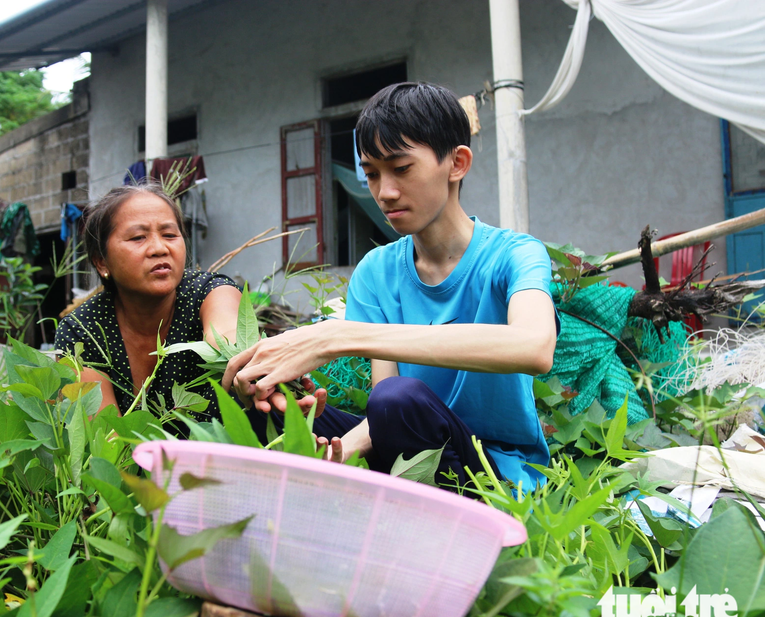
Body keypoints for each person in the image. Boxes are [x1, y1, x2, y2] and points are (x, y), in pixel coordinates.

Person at [224, 82, 558, 491]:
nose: (385, 192)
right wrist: (338, 450)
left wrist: (338, 337)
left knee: (400, 400)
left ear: (457, 163)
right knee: (273, 403)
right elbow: (385, 410)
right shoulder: (376, 271)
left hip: (494, 469)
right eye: (371, 174)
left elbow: (534, 346)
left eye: (401, 169)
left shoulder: (514, 254)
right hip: (406, 444)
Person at [54, 180, 324, 423]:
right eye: (138, 237)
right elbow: (104, 437)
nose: (160, 248)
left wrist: (267, 376)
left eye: (170, 235)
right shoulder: (82, 331)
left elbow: (229, 339)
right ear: (102, 261)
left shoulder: (209, 291)